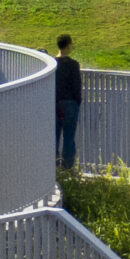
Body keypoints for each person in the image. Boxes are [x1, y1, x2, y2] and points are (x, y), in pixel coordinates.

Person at [52, 34, 84, 173]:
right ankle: (68, 168)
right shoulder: (73, 65)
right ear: (68, 45)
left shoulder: (52, 64)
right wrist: (78, 101)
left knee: (54, 135)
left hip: (54, 103)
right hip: (70, 103)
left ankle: (53, 165)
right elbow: (77, 86)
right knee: (69, 137)